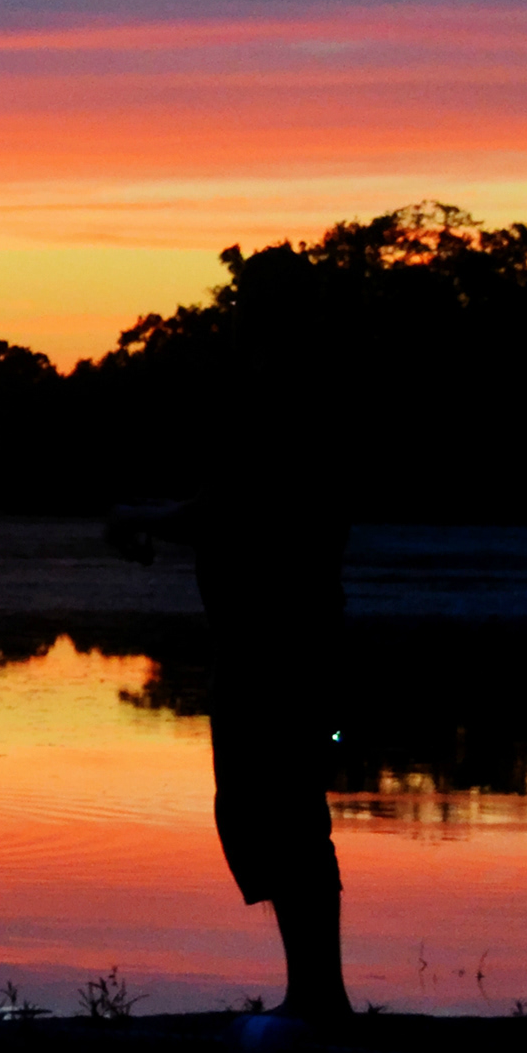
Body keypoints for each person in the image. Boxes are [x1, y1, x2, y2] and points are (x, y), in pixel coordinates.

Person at [111, 433, 353, 1021]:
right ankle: (315, 992)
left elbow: (224, 514)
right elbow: (216, 510)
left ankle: (317, 996)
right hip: (282, 664)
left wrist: (137, 516)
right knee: (280, 821)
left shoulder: (271, 446)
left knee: (284, 821)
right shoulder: (279, 446)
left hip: (273, 668)